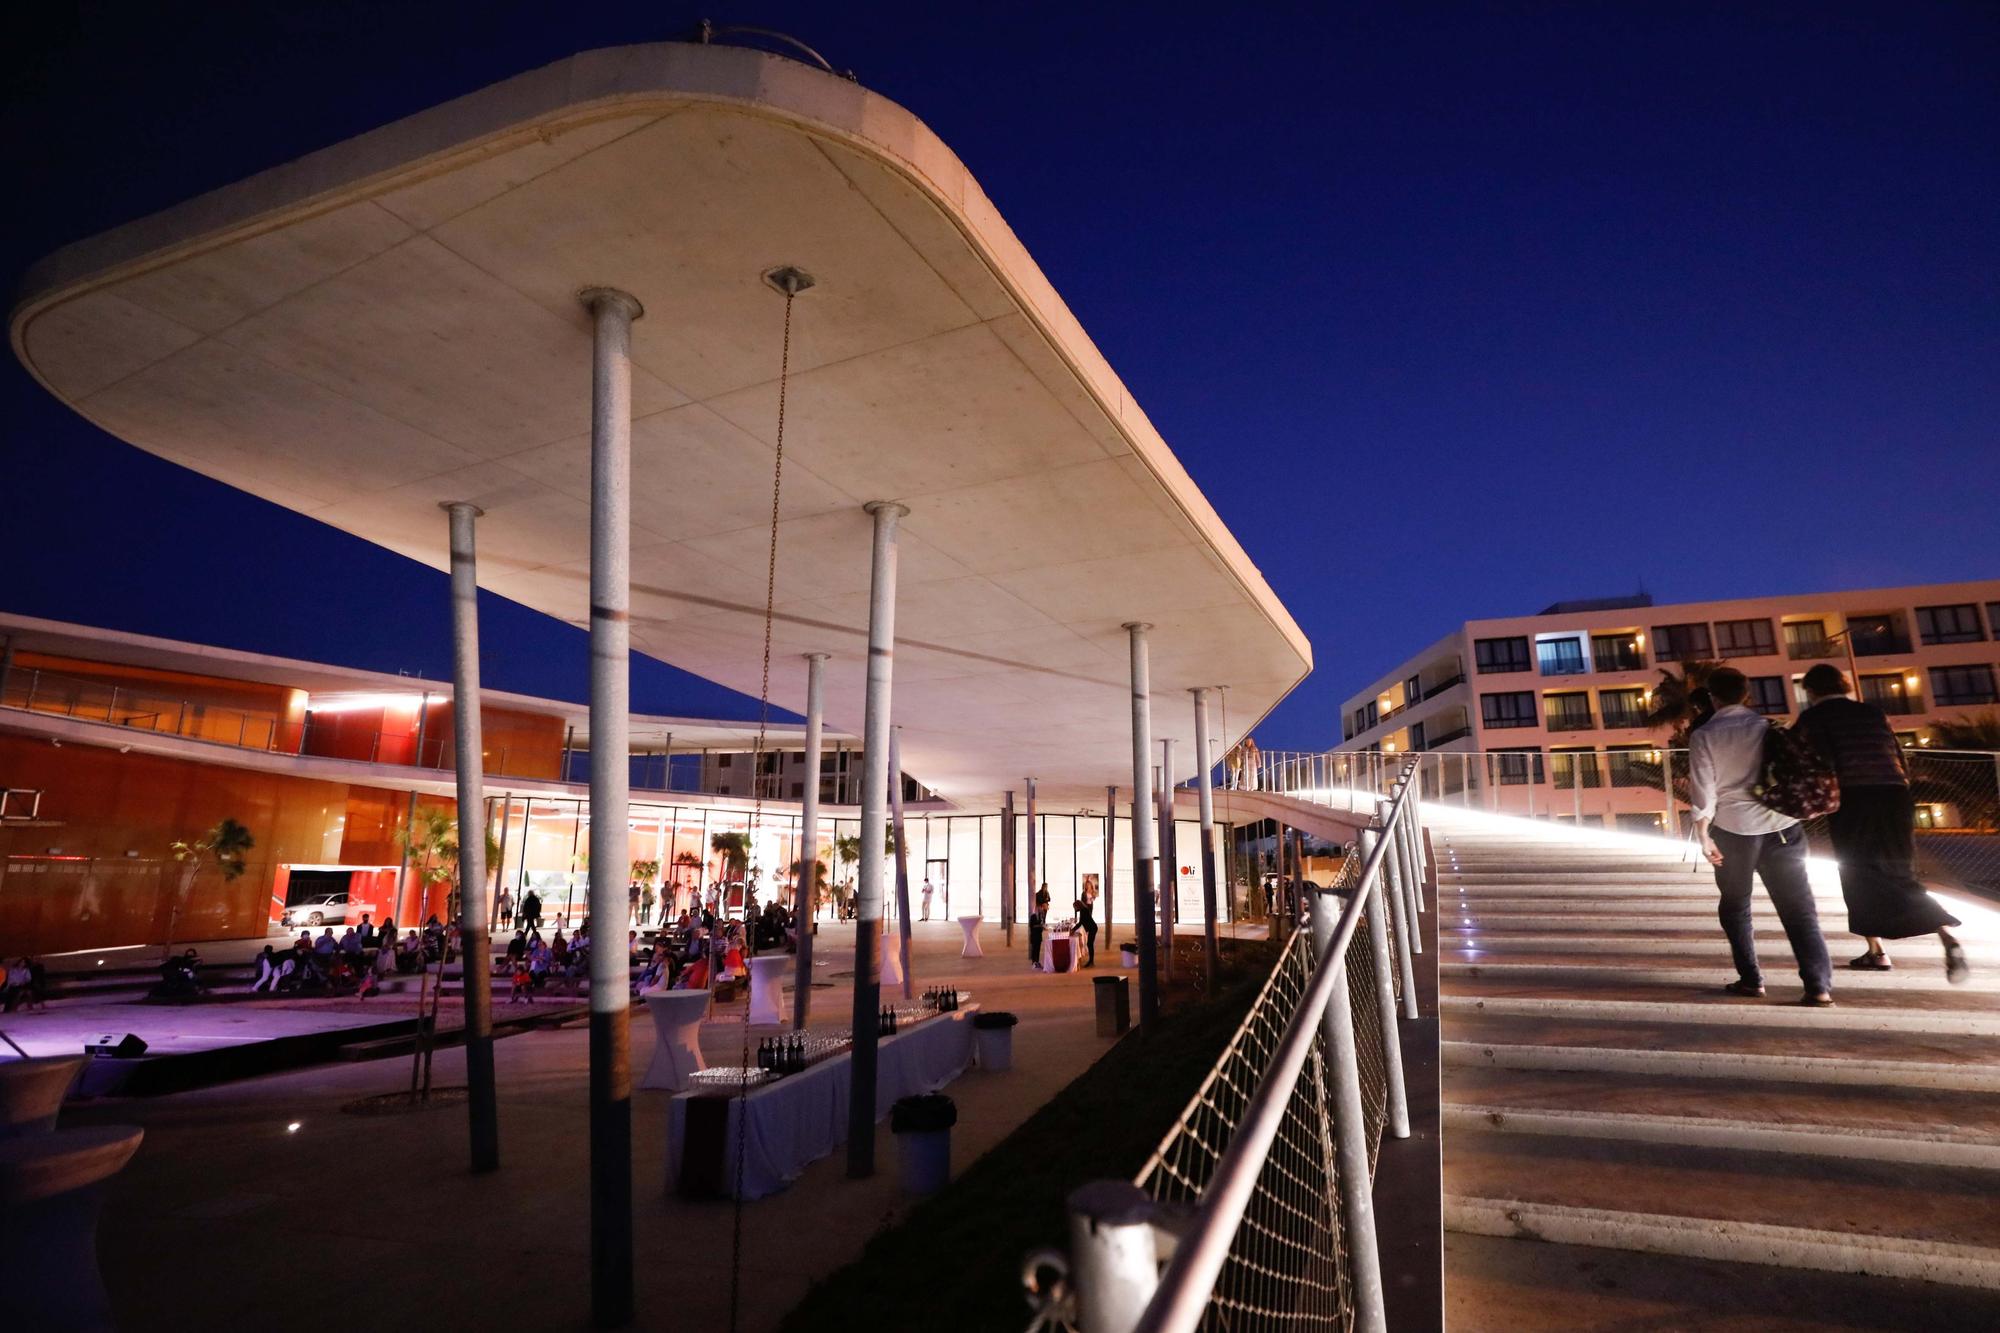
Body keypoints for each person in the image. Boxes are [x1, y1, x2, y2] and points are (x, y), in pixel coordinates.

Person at [1793, 664, 1968, 982]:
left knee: (1858, 873)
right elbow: (1898, 757)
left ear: (1811, 690)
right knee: (1899, 870)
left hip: (1855, 801)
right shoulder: (1872, 712)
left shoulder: (1814, 718)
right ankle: (1945, 936)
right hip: (1894, 797)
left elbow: (1816, 760)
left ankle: (1878, 951)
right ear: (1843, 685)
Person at [1689, 667, 1833, 1005]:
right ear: (1747, 696)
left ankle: (1751, 979)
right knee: (1799, 909)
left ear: (1713, 698)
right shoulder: (1768, 727)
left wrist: (1703, 835)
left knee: (1736, 906)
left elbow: (1703, 791)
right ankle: (1818, 986)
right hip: (1782, 827)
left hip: (1734, 831)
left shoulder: (1705, 735)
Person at [1028, 884, 1050, 971]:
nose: (1043, 910)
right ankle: (1034, 962)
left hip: (1038, 936)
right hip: (1034, 936)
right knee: (1034, 950)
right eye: (1042, 908)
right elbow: (1031, 926)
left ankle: (1037, 962)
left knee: (1037, 950)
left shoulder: (1040, 916)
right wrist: (1040, 926)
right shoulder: (1033, 916)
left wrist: (1042, 926)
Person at [1077, 882, 1099, 968]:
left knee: (1090, 944)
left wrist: (1074, 930)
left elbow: (1081, 922)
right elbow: (1083, 922)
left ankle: (1091, 961)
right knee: (1090, 944)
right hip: (1092, 927)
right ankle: (1091, 961)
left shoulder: (1084, 911)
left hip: (1093, 928)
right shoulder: (1084, 910)